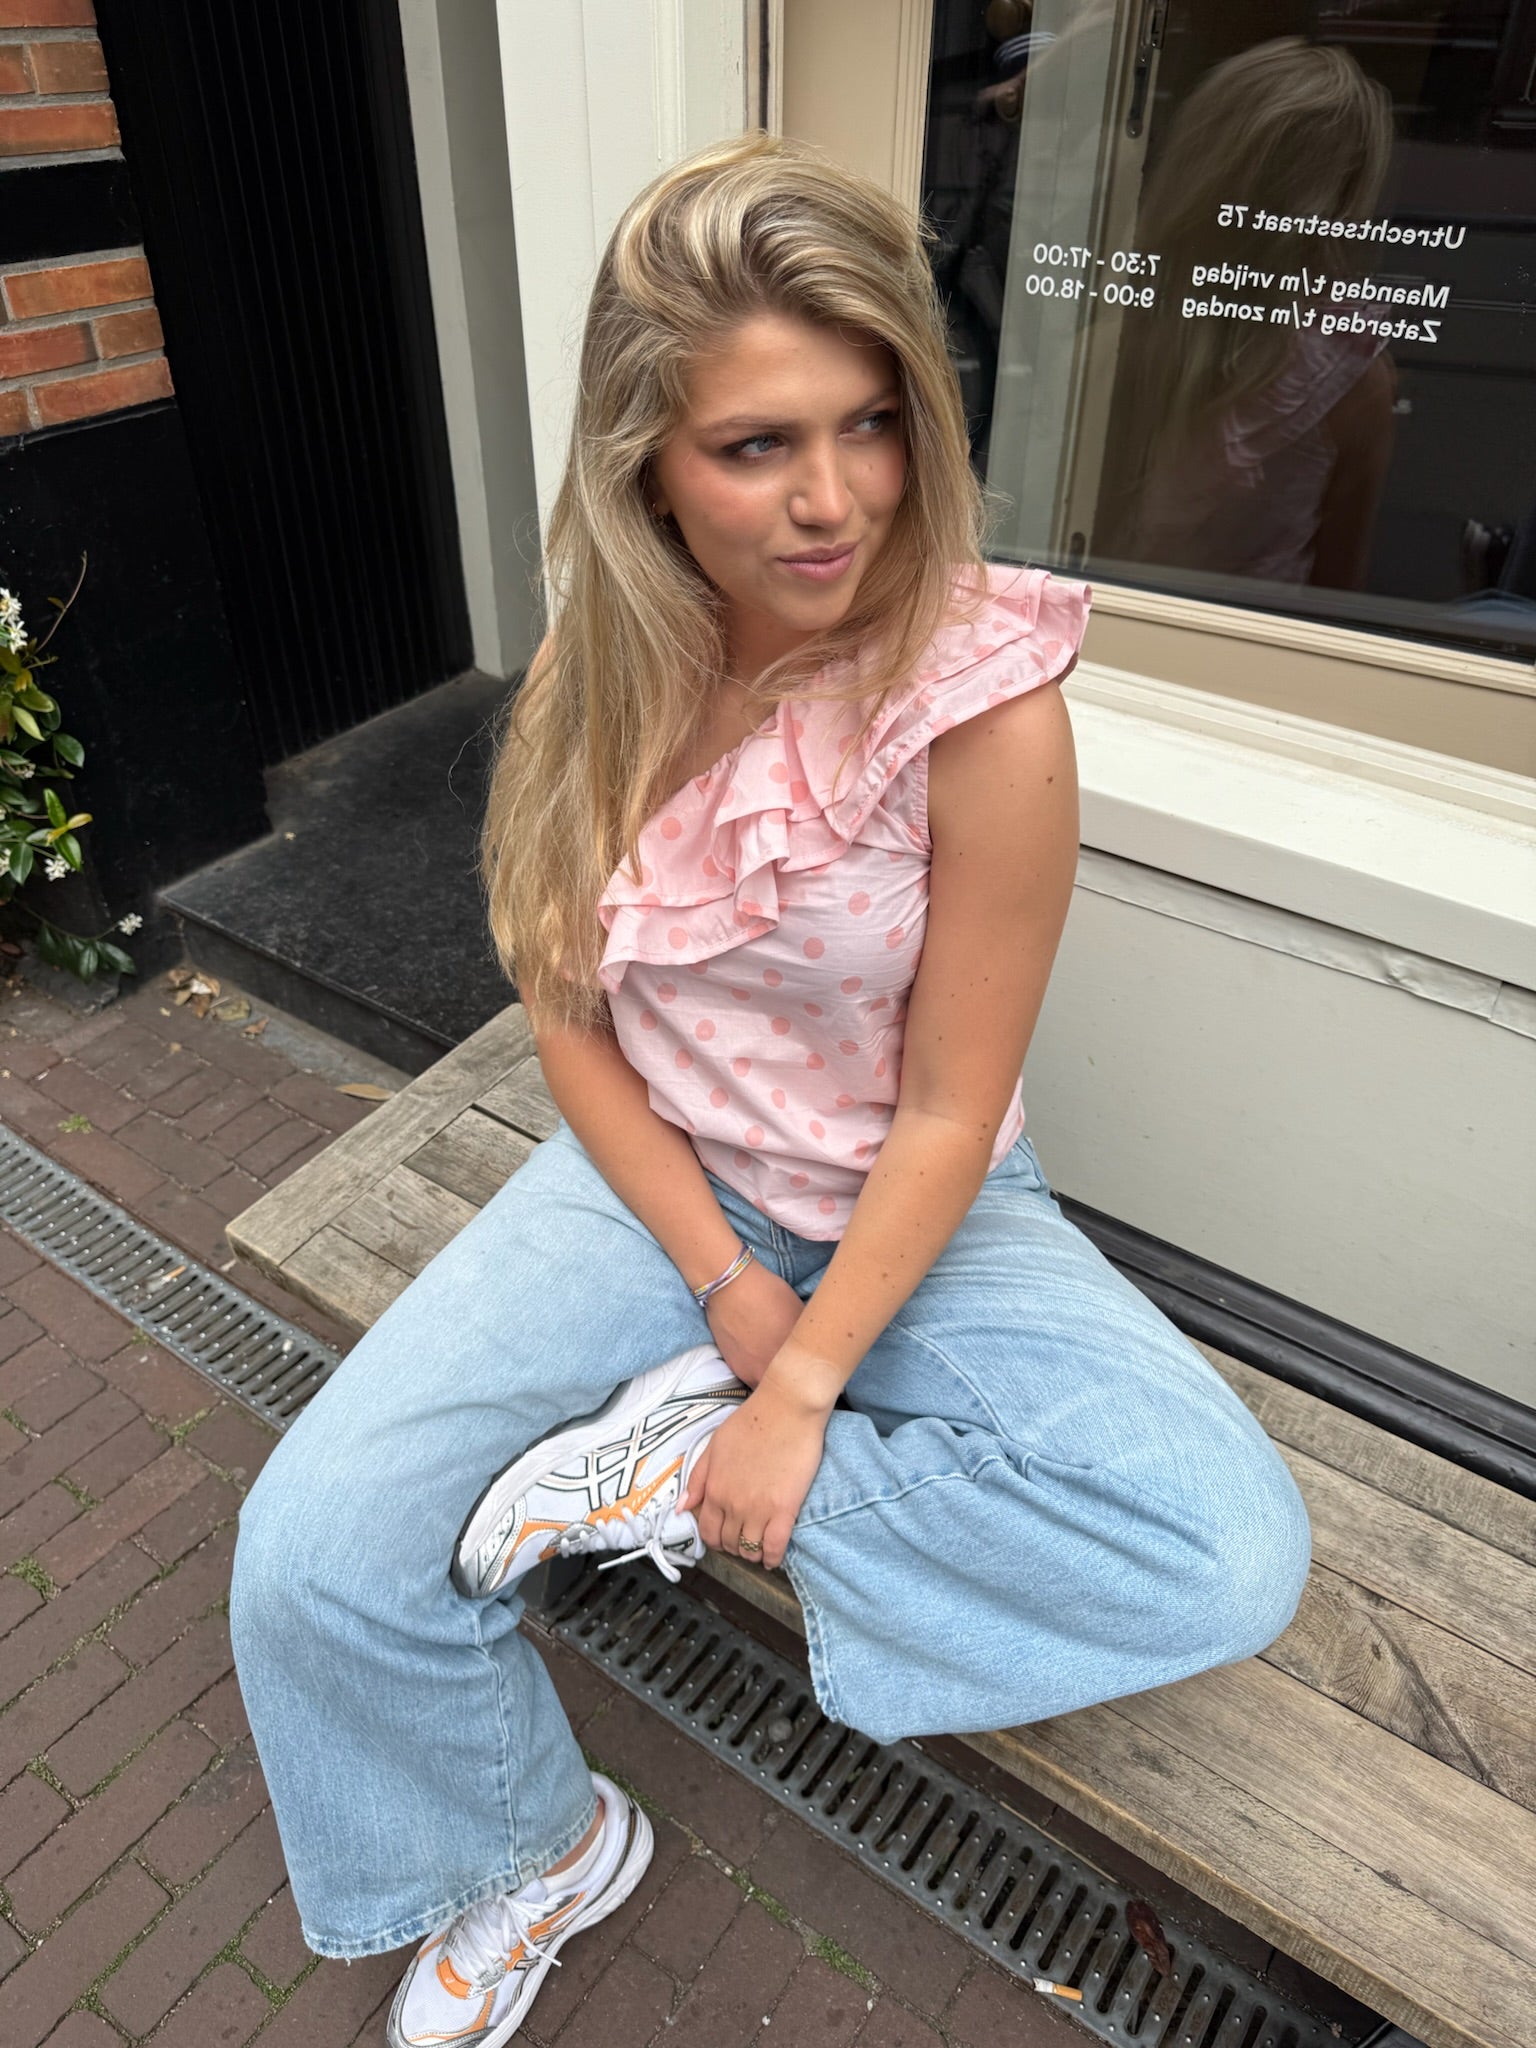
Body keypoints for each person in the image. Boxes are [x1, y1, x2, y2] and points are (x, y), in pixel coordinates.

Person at [229, 130, 1313, 2048]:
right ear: (644, 458)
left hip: (921, 1205)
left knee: (1224, 1550)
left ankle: (651, 1475)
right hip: (653, 1180)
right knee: (310, 1557)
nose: (834, 501)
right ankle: (536, 1849)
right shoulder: (601, 672)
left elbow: (951, 1112)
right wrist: (727, 1285)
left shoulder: (983, 708)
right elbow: (569, 1016)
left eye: (871, 423)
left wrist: (793, 1397)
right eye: (756, 446)